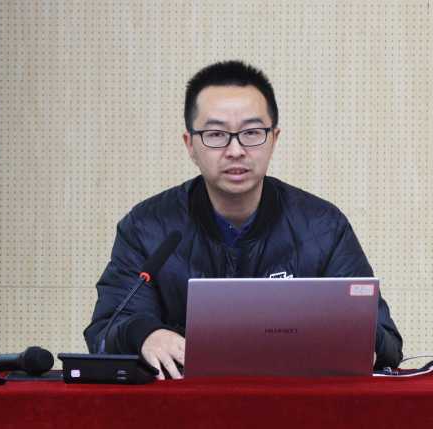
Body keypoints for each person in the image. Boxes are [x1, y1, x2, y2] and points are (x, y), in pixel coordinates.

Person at [84, 61, 403, 379]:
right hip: (184, 402)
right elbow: (105, 330)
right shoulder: (148, 227)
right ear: (190, 145)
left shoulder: (322, 227)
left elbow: (387, 341)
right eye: (216, 134)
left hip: (294, 401)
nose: (235, 150)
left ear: (274, 139)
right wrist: (143, 334)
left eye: (252, 133)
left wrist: (360, 339)